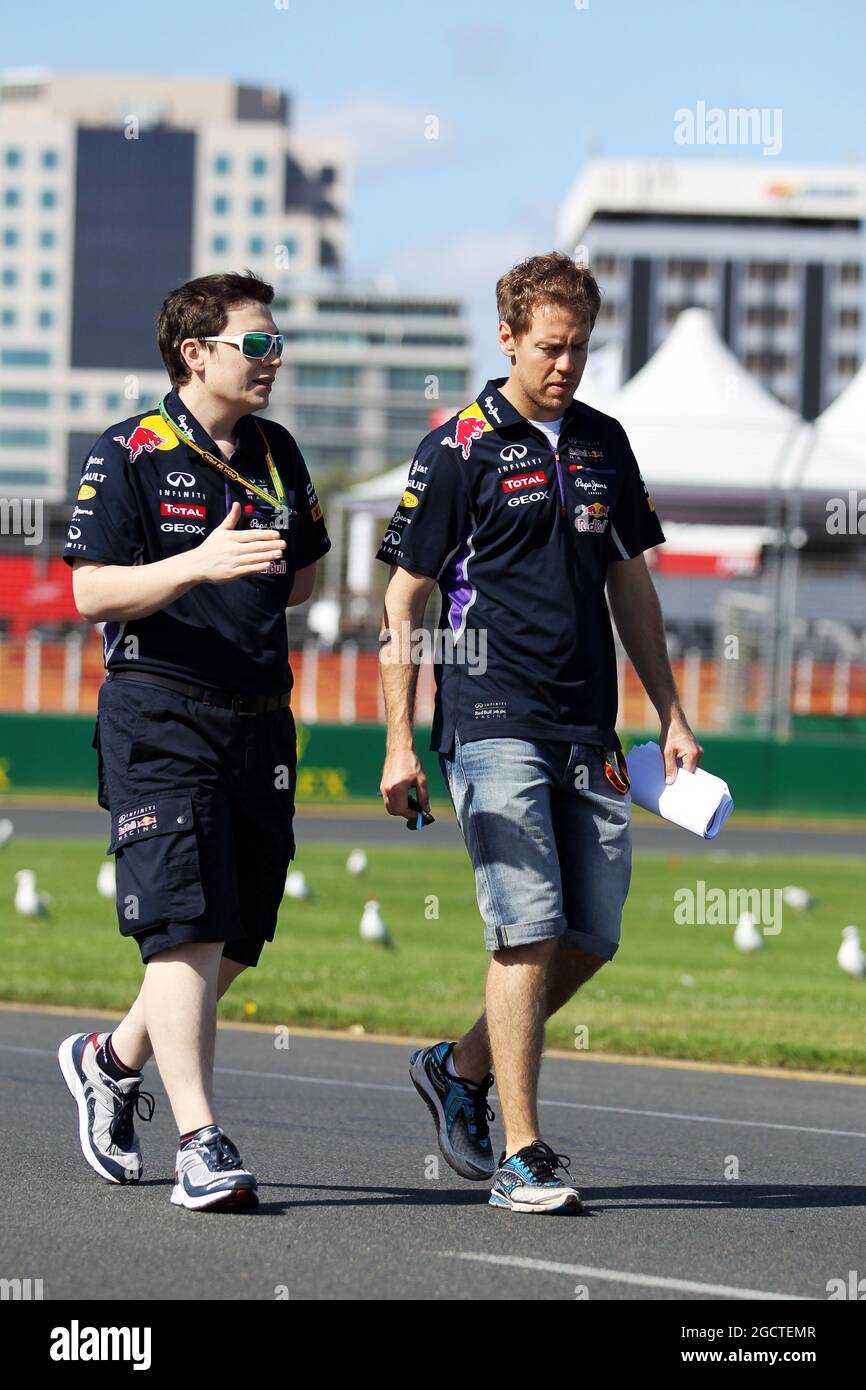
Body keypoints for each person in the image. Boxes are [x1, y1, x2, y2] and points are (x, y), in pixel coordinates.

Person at [377, 251, 702, 1214]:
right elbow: (406, 597)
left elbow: (630, 581)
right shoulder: (458, 448)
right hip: (489, 716)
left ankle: (459, 1065)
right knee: (525, 926)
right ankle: (524, 1153)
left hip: (585, 722)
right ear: (508, 337)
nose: (566, 365)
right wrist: (399, 740)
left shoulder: (605, 441)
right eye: (550, 347)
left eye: (581, 349)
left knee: (591, 933)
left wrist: (671, 712)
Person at [58, 270, 330, 1211]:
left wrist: (253, 572)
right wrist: (198, 565)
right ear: (196, 353)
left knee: (239, 935)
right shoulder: (129, 450)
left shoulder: (279, 451)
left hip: (261, 717)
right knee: (187, 926)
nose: (272, 359)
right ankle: (200, 1140)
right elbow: (90, 591)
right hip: (158, 714)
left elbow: (300, 578)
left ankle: (109, 1058)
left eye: (275, 342)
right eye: (255, 343)